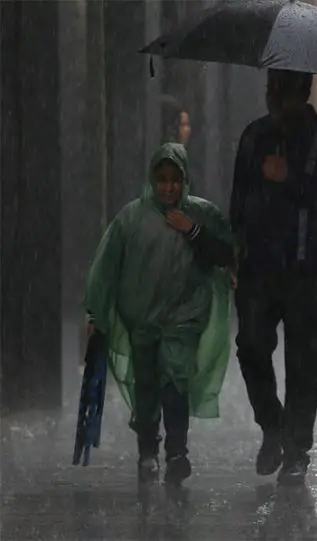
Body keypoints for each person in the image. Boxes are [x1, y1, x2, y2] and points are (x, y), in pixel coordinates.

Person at [230, 69, 317, 484]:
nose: (274, 96)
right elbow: (239, 198)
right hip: (258, 267)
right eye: (270, 88)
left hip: (307, 268)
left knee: (303, 362)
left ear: (301, 92)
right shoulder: (254, 136)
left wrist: (294, 178)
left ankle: (298, 447)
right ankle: (273, 425)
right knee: (250, 346)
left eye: (281, 89)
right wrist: (235, 253)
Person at [84, 142, 233, 485]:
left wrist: (192, 230)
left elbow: (225, 250)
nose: (169, 187)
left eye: (175, 179)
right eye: (162, 179)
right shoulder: (131, 218)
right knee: (148, 384)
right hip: (142, 320)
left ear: (185, 180)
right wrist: (96, 312)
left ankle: (177, 452)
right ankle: (148, 449)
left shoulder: (201, 213)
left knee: (176, 379)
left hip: (185, 316)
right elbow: (106, 267)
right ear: (152, 179)